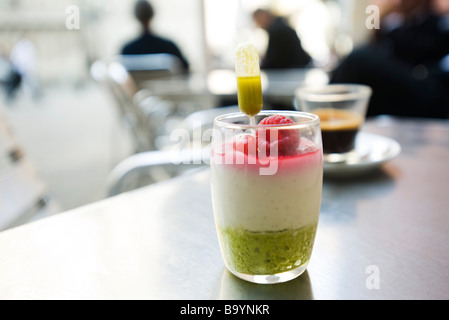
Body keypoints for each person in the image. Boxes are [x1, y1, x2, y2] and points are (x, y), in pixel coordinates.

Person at [330, 0, 449, 119]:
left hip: (434, 84)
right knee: (358, 62)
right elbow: (377, 44)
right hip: (413, 76)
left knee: (357, 61)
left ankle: (330, 116)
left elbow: (424, 48)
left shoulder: (435, 15)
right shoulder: (402, 17)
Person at [121, 0, 189, 72]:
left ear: (135, 16)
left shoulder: (127, 50)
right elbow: (185, 70)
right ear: (153, 13)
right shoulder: (169, 47)